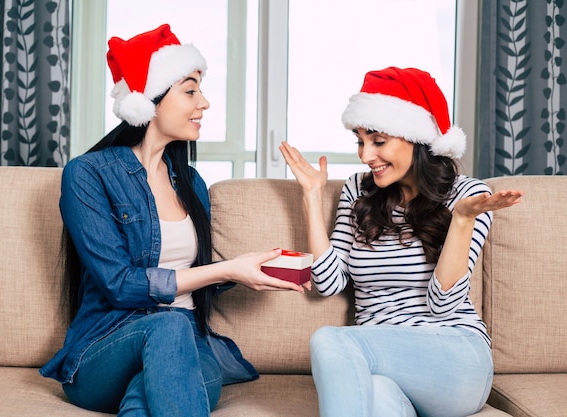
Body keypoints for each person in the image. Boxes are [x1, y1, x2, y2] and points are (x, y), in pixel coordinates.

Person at [39, 24, 305, 417]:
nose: (205, 104)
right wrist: (225, 269)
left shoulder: (192, 184)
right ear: (150, 100)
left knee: (148, 393)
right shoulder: (88, 174)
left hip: (188, 347)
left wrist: (247, 269)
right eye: (191, 90)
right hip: (107, 347)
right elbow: (120, 285)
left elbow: (191, 280)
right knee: (168, 326)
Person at [279, 67, 524, 417]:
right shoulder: (357, 190)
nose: (365, 155)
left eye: (378, 141)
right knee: (375, 398)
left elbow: (444, 305)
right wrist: (311, 197)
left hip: (455, 359)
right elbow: (327, 282)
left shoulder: (469, 195)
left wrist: (463, 219)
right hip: (383, 367)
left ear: (416, 138)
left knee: (329, 339)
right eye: (360, 141)